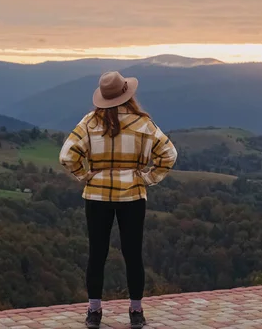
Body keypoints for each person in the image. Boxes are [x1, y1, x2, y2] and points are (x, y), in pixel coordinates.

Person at [59, 71, 178, 329]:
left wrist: (85, 175)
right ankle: (136, 312)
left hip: (97, 195)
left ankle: (94, 311)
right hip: (132, 195)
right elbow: (169, 154)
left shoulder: (90, 122)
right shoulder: (143, 123)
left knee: (97, 254)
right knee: (133, 254)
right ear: (128, 94)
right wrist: (147, 178)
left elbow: (67, 155)